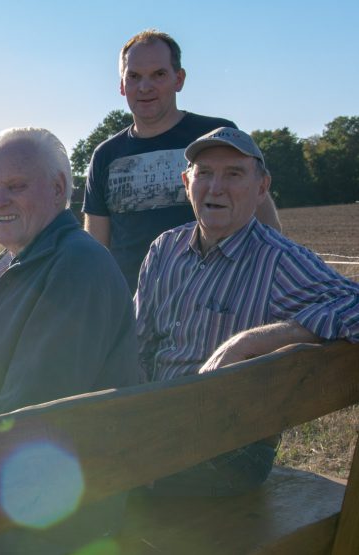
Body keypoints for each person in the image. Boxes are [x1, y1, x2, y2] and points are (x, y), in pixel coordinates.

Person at [0, 128, 141, 554]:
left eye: (16, 186)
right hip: (20, 496)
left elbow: (31, 410)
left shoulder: (76, 266)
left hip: (54, 516)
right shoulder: (16, 264)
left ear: (57, 190)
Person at [135, 127, 359, 495]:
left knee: (99, 492)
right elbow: (137, 340)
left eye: (234, 174)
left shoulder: (278, 260)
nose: (215, 187)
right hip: (157, 427)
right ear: (186, 181)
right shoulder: (165, 250)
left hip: (230, 448)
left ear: (261, 188)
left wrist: (260, 339)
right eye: (204, 173)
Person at [83, 29, 281, 292]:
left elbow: (267, 226)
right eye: (134, 76)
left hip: (215, 303)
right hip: (132, 310)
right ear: (121, 85)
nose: (144, 87)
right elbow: (96, 249)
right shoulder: (105, 155)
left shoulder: (218, 137)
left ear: (179, 79)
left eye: (159, 74)